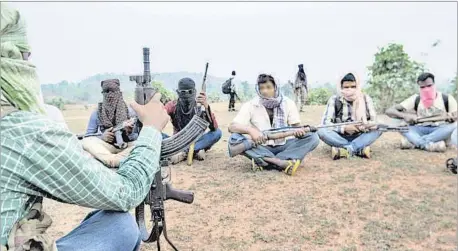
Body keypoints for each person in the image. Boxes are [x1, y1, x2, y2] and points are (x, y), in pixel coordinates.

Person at [0, 4, 169, 250]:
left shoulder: (128, 109)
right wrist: (144, 129)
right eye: (24, 57)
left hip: (123, 148)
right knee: (120, 222)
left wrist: (133, 132)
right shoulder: (23, 132)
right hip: (103, 150)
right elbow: (91, 141)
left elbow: (131, 135)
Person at [228, 73, 319, 176]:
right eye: (261, 88)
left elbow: (296, 127)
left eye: (268, 87)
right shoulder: (251, 105)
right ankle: (281, 162)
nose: (265, 91)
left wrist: (299, 132)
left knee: (313, 137)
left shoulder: (288, 103)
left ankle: (265, 161)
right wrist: (251, 131)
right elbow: (232, 126)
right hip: (261, 146)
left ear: (275, 87)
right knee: (234, 139)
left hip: (284, 145)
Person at [385, 72, 457, 152]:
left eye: (429, 86)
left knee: (455, 125)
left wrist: (452, 117)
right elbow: (389, 111)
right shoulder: (416, 98)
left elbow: (455, 116)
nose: (426, 89)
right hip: (420, 129)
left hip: (440, 129)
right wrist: (404, 116)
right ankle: (430, 145)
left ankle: (415, 142)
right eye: (422, 87)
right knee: (401, 126)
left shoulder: (447, 98)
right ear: (419, 87)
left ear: (434, 84)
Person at [317, 73, 381, 159]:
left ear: (357, 86)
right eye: (346, 87)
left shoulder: (366, 98)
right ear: (341, 87)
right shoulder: (334, 99)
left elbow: (374, 122)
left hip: (360, 135)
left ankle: (346, 149)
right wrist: (344, 128)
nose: (350, 89)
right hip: (339, 136)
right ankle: (358, 149)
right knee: (321, 130)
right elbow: (326, 124)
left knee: (380, 127)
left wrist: (364, 125)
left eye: (353, 87)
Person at [81, 79, 138, 168]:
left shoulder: (130, 112)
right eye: (106, 91)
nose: (110, 95)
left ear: (119, 93)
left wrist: (129, 132)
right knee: (86, 142)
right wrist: (102, 137)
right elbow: (89, 136)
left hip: (127, 146)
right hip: (108, 147)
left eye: (113, 91)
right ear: (102, 93)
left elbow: (139, 135)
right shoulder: (97, 113)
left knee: (141, 144)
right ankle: (116, 160)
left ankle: (112, 160)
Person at [164, 77, 222, 164]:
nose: (187, 95)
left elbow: (214, 128)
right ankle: (196, 150)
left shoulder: (200, 106)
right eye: (183, 92)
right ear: (178, 92)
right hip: (177, 141)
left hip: (196, 140)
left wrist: (206, 107)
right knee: (156, 134)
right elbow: (159, 117)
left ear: (194, 92)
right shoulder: (172, 106)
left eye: (190, 92)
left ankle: (185, 152)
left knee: (217, 133)